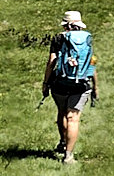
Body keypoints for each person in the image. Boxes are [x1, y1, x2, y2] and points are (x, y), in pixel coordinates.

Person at [42, 10, 98, 164]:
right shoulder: (87, 38)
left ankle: (62, 142)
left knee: (62, 112)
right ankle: (69, 156)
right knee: (73, 118)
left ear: (65, 25)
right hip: (81, 85)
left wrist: (45, 83)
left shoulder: (59, 38)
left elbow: (51, 62)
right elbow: (91, 62)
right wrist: (95, 86)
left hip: (60, 83)